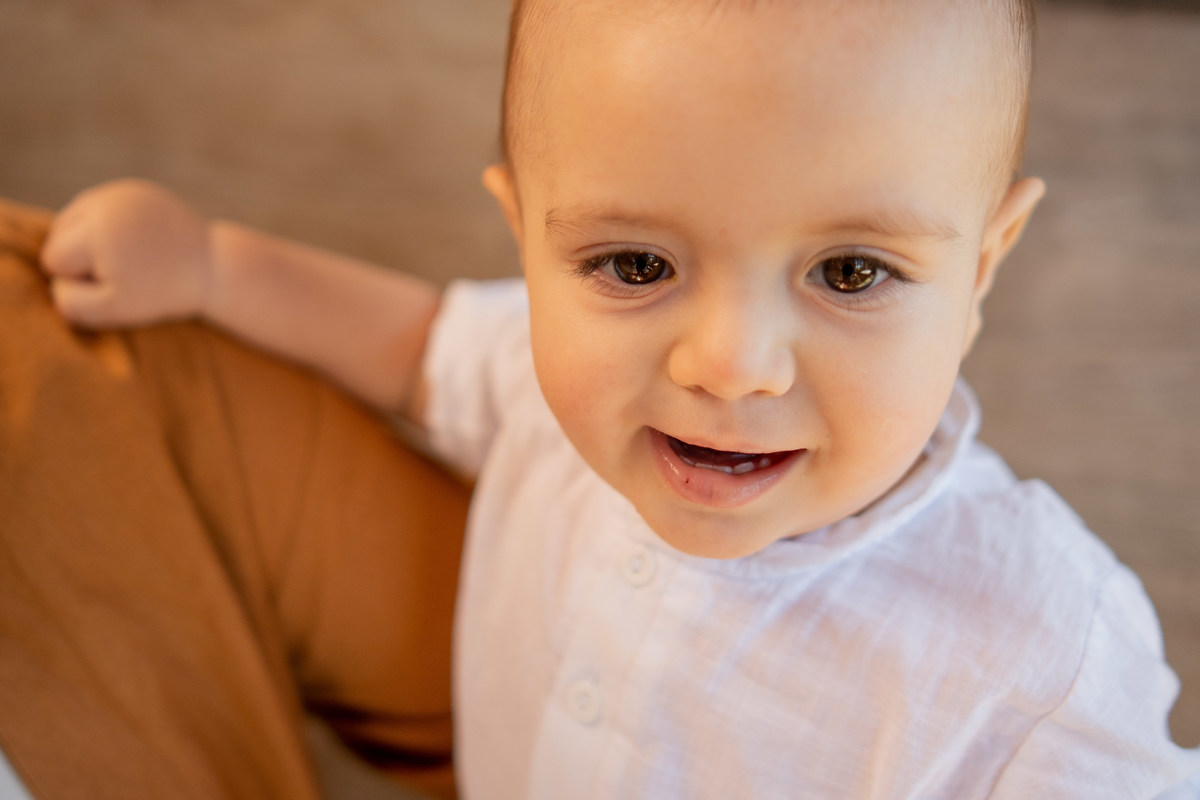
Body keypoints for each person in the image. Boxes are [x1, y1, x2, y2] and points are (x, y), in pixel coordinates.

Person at [31, 0, 1200, 797]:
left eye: (851, 272)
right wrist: (219, 267)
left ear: (983, 268)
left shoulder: (1039, 651)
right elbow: (415, 341)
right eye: (634, 266)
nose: (733, 365)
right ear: (526, 236)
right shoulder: (549, 391)